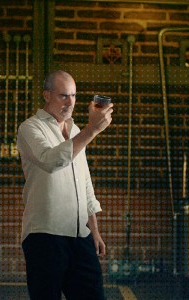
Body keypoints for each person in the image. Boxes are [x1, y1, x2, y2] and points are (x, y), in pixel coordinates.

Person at [16, 70, 114, 300]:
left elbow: (84, 183)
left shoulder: (76, 131)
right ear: (46, 95)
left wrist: (95, 231)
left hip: (81, 235)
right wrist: (93, 130)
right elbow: (51, 161)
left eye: (74, 95)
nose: (70, 102)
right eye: (63, 96)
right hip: (44, 235)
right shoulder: (30, 128)